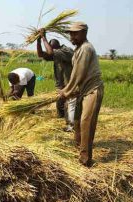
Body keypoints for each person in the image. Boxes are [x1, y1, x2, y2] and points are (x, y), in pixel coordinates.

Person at [58, 22, 104, 167]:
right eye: (70, 33)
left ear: (84, 33)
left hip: (92, 90)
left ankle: (86, 160)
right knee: (77, 121)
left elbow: (79, 73)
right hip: (83, 91)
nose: (72, 36)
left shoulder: (86, 48)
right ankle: (79, 149)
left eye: (75, 33)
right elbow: (76, 73)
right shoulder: (78, 49)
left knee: (86, 122)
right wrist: (72, 90)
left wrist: (67, 91)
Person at [37, 28, 76, 132]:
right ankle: (62, 121)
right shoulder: (56, 52)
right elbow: (41, 54)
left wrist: (43, 37)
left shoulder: (65, 51)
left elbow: (50, 52)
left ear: (55, 47)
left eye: (51, 48)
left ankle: (71, 126)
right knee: (60, 103)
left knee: (70, 104)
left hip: (70, 83)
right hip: (61, 83)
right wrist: (38, 41)